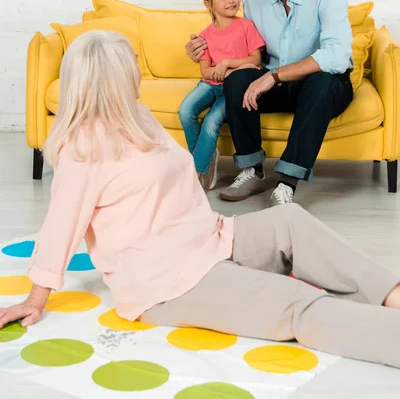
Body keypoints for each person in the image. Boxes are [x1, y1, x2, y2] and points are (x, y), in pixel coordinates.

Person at [1, 30, 400, 369]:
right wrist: (37, 298)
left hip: (210, 238)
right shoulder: (83, 148)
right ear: (111, 80)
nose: (140, 72)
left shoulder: (137, 116)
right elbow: (61, 224)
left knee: (291, 223)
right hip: (168, 281)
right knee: (296, 301)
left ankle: (392, 295)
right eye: (132, 66)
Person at [185, 0, 354, 205]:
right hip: (277, 83)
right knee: (238, 80)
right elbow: (250, 51)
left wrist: (273, 76)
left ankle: (287, 182)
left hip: (323, 86)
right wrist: (205, 53)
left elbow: (335, 56)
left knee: (321, 82)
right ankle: (251, 170)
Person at [179, 0, 265, 190]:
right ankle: (206, 158)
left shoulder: (246, 26)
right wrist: (221, 71)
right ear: (208, 4)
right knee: (185, 110)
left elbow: (255, 59)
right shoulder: (205, 35)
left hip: (231, 90)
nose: (231, 1)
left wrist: (226, 63)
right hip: (209, 85)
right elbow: (206, 70)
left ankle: (197, 172)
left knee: (211, 122)